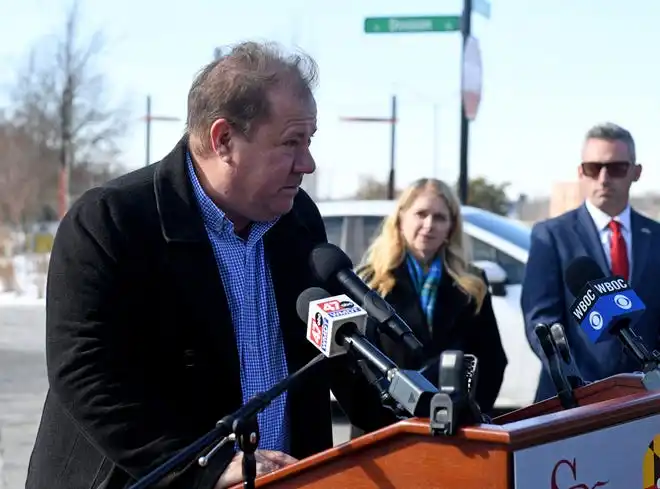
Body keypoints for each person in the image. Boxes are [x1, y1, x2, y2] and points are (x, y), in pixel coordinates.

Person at [26, 41, 390, 489]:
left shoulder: (298, 221)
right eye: (291, 142)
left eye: (309, 142)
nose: (307, 164)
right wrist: (206, 465)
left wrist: (415, 415)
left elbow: (336, 354)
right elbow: (88, 378)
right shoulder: (110, 222)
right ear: (224, 141)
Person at [521, 122, 660, 402]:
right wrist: (575, 379)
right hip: (572, 400)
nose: (604, 178)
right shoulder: (550, 235)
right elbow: (541, 320)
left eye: (616, 168)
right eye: (593, 169)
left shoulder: (656, 236)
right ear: (580, 173)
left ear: (636, 172)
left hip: (645, 400)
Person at [355, 178, 508, 414]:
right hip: (385, 429)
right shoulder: (369, 281)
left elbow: (493, 360)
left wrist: (469, 414)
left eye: (439, 217)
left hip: (453, 426)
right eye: (421, 214)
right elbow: (357, 365)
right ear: (401, 218)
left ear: (451, 226)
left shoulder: (473, 283)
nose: (429, 225)